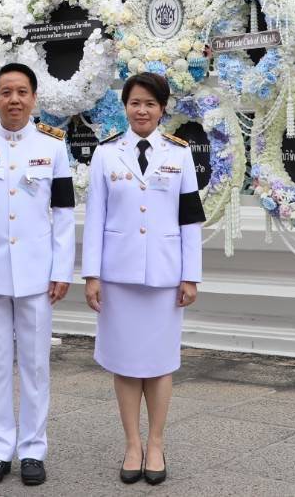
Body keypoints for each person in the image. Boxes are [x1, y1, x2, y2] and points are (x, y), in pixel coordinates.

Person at [0, 63, 74, 487]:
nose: (15, 100)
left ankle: (33, 451)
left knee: (36, 365)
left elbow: (63, 213)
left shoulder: (53, 146)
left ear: (34, 98)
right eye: (6, 92)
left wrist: (62, 269)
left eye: (22, 92)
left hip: (38, 273)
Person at [81, 71, 203, 486]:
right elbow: (95, 218)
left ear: (162, 108)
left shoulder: (179, 154)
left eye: (150, 103)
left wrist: (191, 276)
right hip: (118, 275)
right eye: (135, 103)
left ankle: (156, 443)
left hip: (165, 275)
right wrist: (92, 275)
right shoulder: (106, 154)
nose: (142, 110)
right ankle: (132, 444)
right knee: (126, 363)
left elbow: (189, 219)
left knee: (160, 363)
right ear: (125, 107)